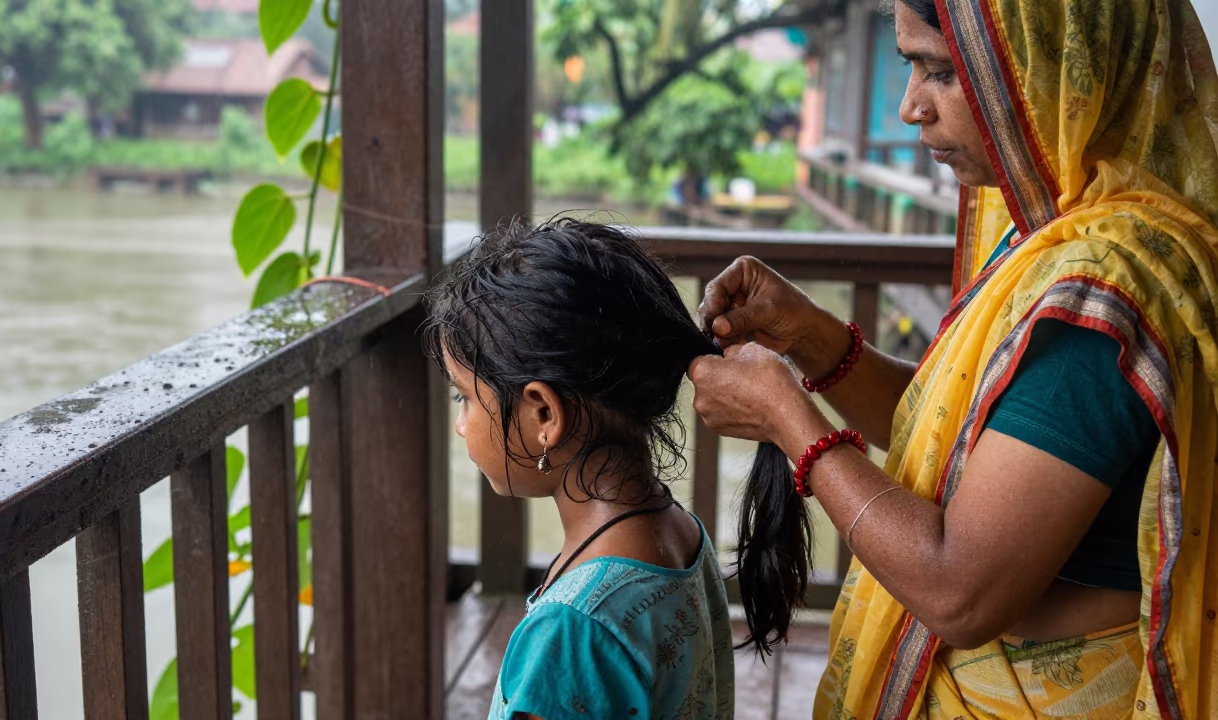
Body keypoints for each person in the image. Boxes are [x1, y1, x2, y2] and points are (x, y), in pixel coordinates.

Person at [689, 0, 1218, 717]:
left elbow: (959, 592)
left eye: (941, 71)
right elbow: (969, 440)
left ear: (1057, 72)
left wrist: (789, 419)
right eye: (912, 66)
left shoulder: (1103, 294)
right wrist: (809, 336)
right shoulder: (1064, 228)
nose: (911, 107)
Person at [424, 219, 812, 719]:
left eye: (465, 398)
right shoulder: (681, 536)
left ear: (544, 413)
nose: (461, 426)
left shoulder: (571, 632)